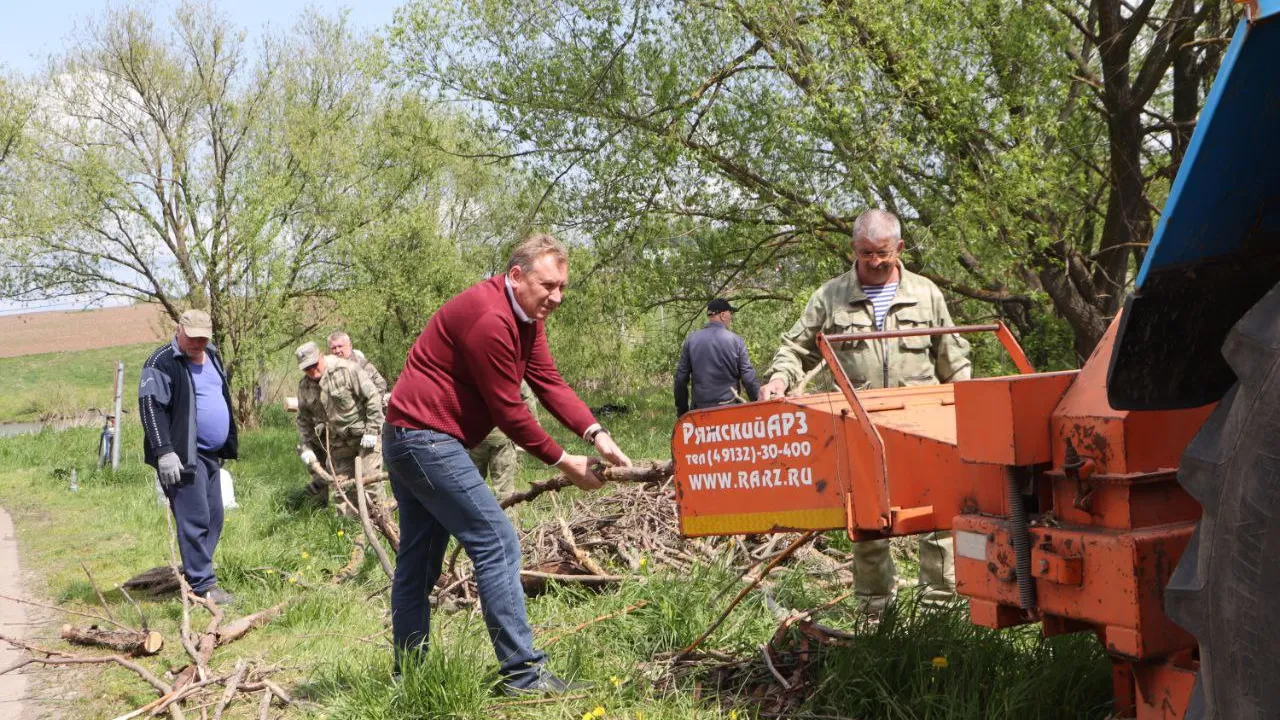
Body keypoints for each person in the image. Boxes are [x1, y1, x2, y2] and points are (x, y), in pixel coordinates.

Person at [384, 233, 632, 694]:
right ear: (516, 276)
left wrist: (595, 433)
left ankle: (410, 679)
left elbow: (547, 382)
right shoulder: (490, 319)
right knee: (496, 541)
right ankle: (523, 674)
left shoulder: (525, 316)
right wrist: (564, 462)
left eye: (562, 287)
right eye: (548, 285)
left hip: (412, 438)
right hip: (424, 440)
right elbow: (509, 410)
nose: (556, 297)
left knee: (418, 565)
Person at [759, 209, 971, 610]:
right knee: (867, 522)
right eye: (866, 253)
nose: (874, 261)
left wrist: (969, 407)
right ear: (853, 248)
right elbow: (795, 348)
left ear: (900, 248)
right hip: (859, 426)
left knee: (939, 518)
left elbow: (954, 361)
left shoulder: (927, 294)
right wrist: (778, 380)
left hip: (924, 424)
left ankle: (940, 609)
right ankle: (875, 612)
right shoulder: (831, 296)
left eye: (883, 253)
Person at [138, 309, 238, 606]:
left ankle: (196, 571)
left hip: (210, 454)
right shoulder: (162, 362)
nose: (197, 343)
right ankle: (202, 585)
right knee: (195, 519)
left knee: (215, 516)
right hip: (181, 455)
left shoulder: (213, 355)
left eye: (203, 337)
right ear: (179, 329)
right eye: (192, 337)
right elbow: (149, 407)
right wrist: (164, 451)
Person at [294, 342, 384, 505]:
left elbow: (373, 397)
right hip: (338, 442)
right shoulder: (304, 386)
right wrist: (307, 448)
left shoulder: (346, 370)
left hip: (365, 435)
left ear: (321, 356)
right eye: (307, 368)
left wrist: (372, 430)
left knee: (369, 482)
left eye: (314, 364)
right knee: (342, 488)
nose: (312, 370)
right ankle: (348, 527)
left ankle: (379, 523)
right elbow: (303, 420)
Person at [674, 298, 760, 416]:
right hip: (730, 411)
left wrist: (682, 412)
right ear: (723, 315)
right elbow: (748, 378)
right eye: (731, 314)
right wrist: (760, 405)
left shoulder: (691, 340)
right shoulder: (736, 341)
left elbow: (680, 380)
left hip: (700, 412)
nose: (731, 318)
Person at [468, 381, 539, 498]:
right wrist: (534, 426)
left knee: (471, 485)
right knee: (504, 489)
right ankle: (506, 514)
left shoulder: (470, 367)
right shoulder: (510, 371)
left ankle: (469, 514)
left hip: (474, 437)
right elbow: (527, 398)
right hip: (502, 438)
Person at [327, 331, 389, 404]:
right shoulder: (328, 369)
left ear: (350, 346)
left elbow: (381, 384)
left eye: (340, 346)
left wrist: (371, 405)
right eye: (333, 348)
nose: (337, 351)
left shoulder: (362, 365)